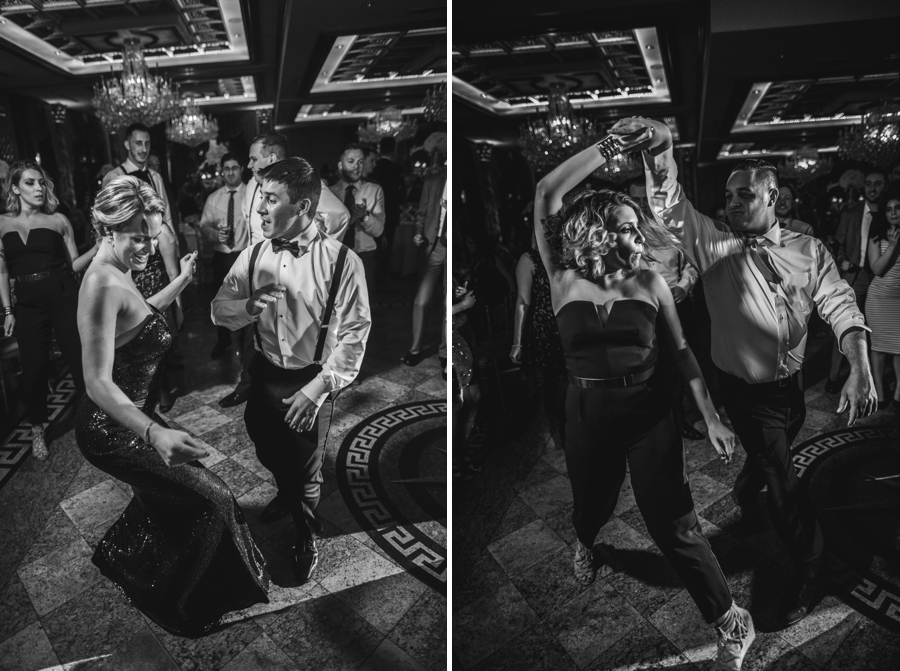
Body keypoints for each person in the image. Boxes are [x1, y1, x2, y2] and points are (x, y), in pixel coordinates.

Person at [628, 116, 875, 628]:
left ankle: (747, 484)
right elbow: (669, 204)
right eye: (728, 196)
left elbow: (842, 305)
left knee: (772, 456)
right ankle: (812, 568)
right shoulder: (713, 245)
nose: (733, 203)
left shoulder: (808, 250)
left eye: (745, 194)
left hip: (792, 393)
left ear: (773, 197)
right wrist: (660, 145)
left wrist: (860, 366)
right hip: (746, 395)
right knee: (784, 485)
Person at [534, 132, 755, 669]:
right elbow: (547, 193)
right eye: (627, 227)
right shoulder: (562, 278)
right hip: (586, 416)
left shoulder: (651, 282)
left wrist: (711, 416)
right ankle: (586, 539)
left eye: (637, 226)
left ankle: (731, 620)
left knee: (673, 524)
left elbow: (681, 353)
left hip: (650, 415)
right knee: (591, 507)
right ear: (598, 233)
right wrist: (609, 146)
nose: (639, 235)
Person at [75, 176, 268, 636]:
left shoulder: (118, 269)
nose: (147, 248)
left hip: (135, 415)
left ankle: (133, 563)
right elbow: (97, 382)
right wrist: (153, 432)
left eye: (153, 236)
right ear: (108, 230)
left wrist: (180, 281)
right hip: (110, 429)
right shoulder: (99, 284)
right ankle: (181, 604)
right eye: (138, 238)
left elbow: (138, 317)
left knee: (170, 498)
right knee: (214, 499)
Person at [212, 157, 371, 583]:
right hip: (264, 371)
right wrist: (246, 307)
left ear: (302, 207)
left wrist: (318, 389)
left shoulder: (343, 262)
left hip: (311, 377)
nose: (259, 208)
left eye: (270, 199)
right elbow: (218, 309)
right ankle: (285, 488)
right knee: (263, 443)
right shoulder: (253, 255)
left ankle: (306, 536)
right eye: (260, 197)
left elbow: (354, 337)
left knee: (306, 471)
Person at [1, 160, 98, 459]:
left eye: (41, 182)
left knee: (78, 360)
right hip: (27, 304)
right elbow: (2, 271)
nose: (39, 188)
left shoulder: (58, 220)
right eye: (30, 183)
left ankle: (94, 422)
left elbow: (74, 265)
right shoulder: (2, 223)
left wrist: (98, 247)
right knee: (33, 370)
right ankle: (37, 430)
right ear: (15, 188)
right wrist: (8, 311)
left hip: (63, 295)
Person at [631, 181, 703, 441]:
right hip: (642, 309)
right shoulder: (625, 232)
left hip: (676, 304)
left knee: (678, 364)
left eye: (645, 199)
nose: (641, 205)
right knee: (650, 367)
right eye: (636, 200)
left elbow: (693, 262)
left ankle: (679, 420)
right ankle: (655, 421)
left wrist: (684, 286)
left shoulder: (673, 229)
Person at [826, 169, 885, 392]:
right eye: (869, 183)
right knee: (847, 326)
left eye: (878, 183)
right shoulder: (851, 213)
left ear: (885, 186)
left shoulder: (890, 212)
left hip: (882, 278)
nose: (872, 188)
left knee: (877, 329)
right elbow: (838, 244)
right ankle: (833, 376)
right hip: (856, 275)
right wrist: (842, 260)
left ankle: (873, 381)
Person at [243, 132, 349, 246]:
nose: (249, 165)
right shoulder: (252, 185)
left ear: (271, 159)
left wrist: (322, 250)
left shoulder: (303, 181)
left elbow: (339, 215)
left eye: (254, 159)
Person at [510, 229, 567, 442]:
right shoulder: (529, 259)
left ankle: (573, 427)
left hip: (569, 322)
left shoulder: (567, 255)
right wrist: (517, 343)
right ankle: (563, 429)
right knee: (558, 379)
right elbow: (522, 302)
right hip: (546, 328)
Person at [198, 153, 249, 363]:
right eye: (226, 168)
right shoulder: (214, 198)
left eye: (234, 167)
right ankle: (223, 339)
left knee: (245, 300)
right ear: (222, 172)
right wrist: (214, 234)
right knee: (221, 300)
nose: (230, 172)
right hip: (221, 256)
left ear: (242, 169)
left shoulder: (252, 194)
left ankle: (246, 341)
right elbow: (204, 225)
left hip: (244, 256)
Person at [401, 170, 447, 367]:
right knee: (422, 301)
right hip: (433, 247)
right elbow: (421, 214)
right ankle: (415, 348)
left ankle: (445, 353)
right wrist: (418, 232)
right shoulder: (433, 181)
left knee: (448, 302)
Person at [329, 143, 385, 286]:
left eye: (360, 162)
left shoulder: (374, 190)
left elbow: (379, 231)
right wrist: (349, 220)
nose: (357, 166)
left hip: (365, 257)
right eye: (351, 161)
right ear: (340, 165)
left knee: (363, 299)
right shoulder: (329, 193)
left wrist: (365, 216)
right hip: (336, 256)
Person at [865, 188, 900, 410]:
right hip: (879, 300)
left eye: (898, 208)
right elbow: (877, 269)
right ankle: (878, 390)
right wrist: (893, 245)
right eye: (888, 209)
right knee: (878, 347)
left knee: (899, 347)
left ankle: (898, 393)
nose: (893, 213)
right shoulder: (877, 234)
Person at [371, 137, 403, 288]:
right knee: (386, 248)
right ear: (394, 149)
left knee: (377, 247)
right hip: (389, 212)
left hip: (374, 212)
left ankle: (376, 279)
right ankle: (381, 281)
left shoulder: (375, 167)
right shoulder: (394, 168)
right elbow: (396, 193)